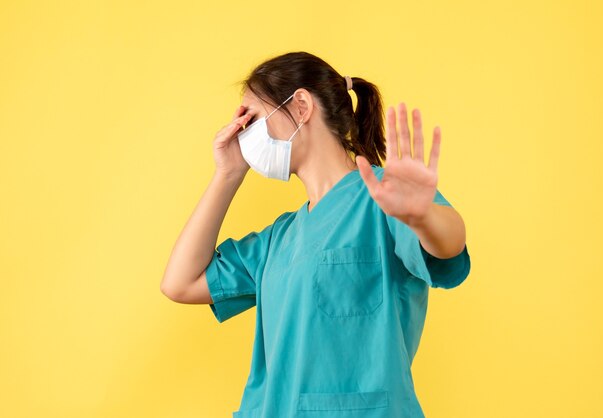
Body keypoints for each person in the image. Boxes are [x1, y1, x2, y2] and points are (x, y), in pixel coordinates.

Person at [160, 51, 471, 418]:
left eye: (252, 119)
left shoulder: (385, 197)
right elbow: (180, 283)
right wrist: (227, 173)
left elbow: (450, 247)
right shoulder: (280, 238)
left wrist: (423, 218)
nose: (246, 137)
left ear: (302, 105)